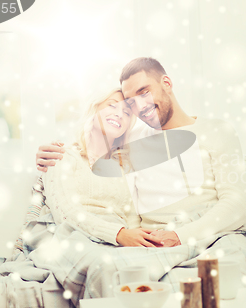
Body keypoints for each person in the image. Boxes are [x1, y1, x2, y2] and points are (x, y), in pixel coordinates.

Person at [36, 57, 246, 247]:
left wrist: (180, 236)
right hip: (150, 241)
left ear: (166, 84)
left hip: (206, 235)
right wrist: (50, 153)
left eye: (144, 92)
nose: (140, 106)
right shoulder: (132, 138)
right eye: (131, 102)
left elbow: (236, 204)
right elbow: (93, 143)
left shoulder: (217, 131)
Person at [40, 88, 163, 247]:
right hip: (74, 239)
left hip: (118, 243)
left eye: (126, 113)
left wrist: (138, 242)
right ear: (94, 109)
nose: (119, 114)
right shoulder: (62, 157)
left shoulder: (125, 168)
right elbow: (65, 213)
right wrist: (118, 234)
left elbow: (132, 218)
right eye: (112, 106)